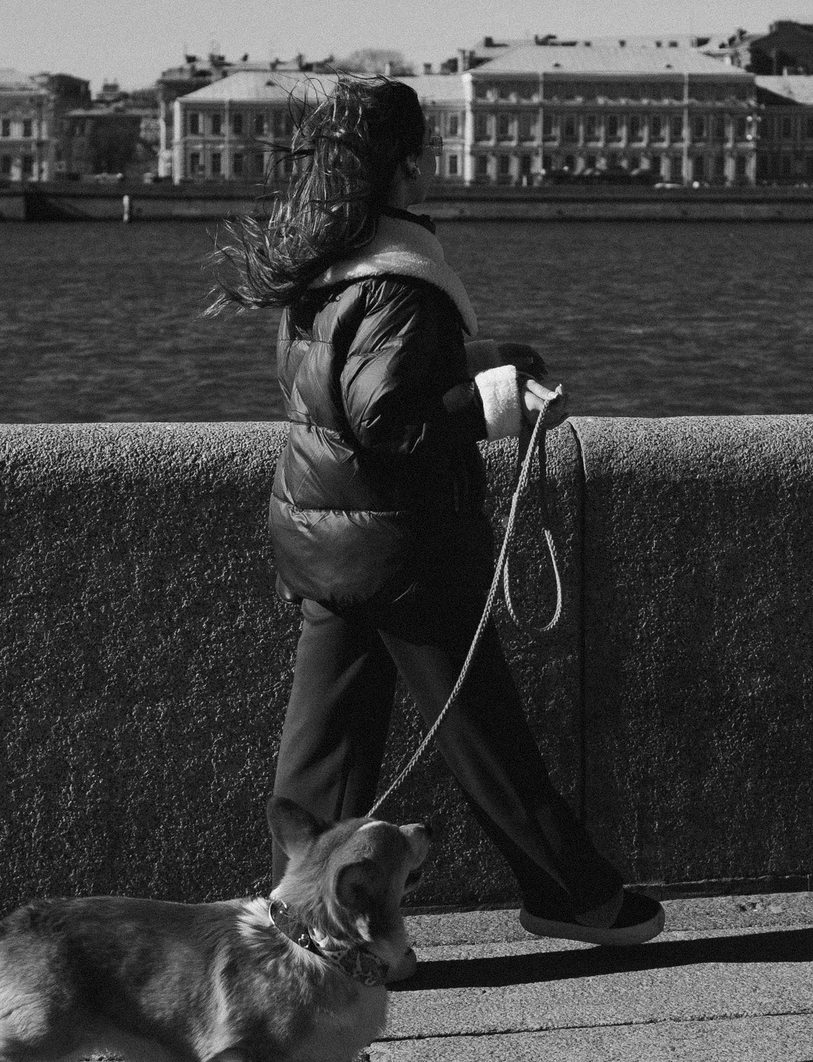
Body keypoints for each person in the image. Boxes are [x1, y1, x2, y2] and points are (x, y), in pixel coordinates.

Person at [211, 75, 663, 961]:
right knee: (484, 733)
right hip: (400, 547)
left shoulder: (326, 266)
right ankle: (575, 894)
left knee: (321, 760)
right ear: (408, 164)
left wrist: (487, 359)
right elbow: (383, 412)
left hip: (323, 535)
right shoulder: (401, 280)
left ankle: (297, 925)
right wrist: (498, 406)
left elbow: (353, 381)